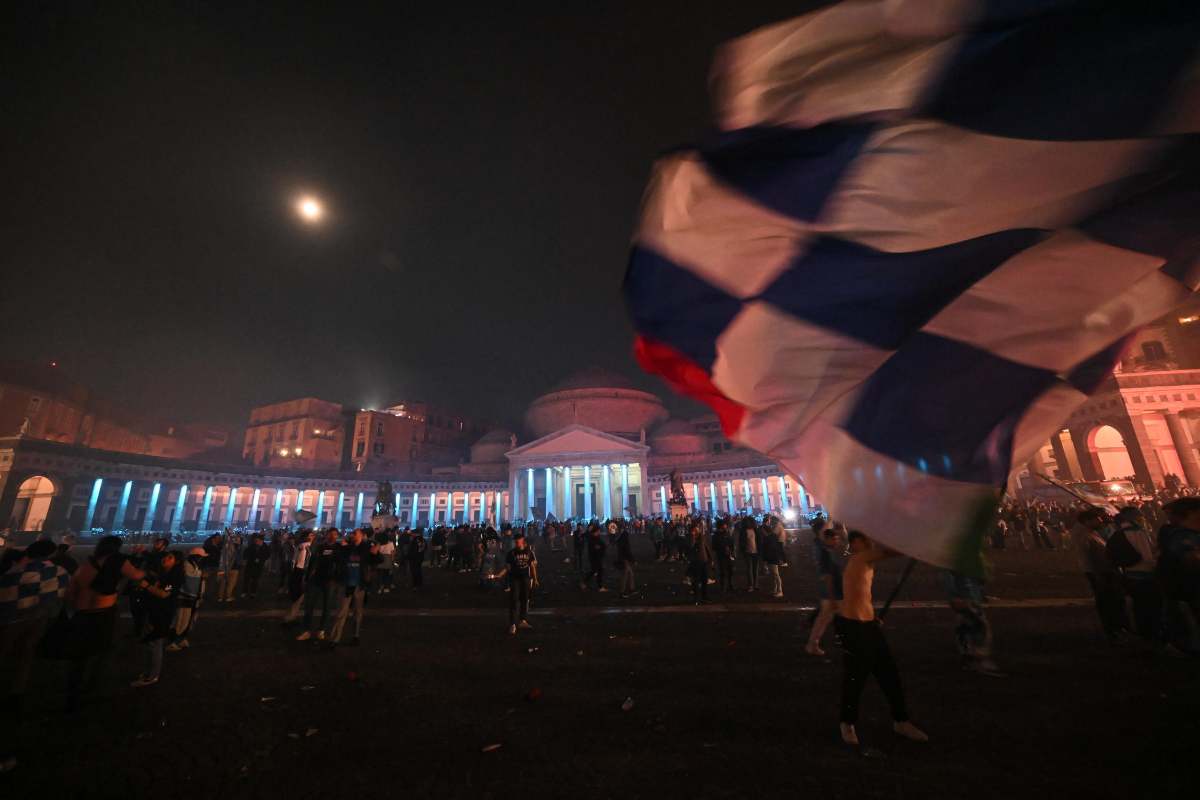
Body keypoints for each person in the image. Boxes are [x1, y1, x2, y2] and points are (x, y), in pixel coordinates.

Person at [834, 531, 927, 747]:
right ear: (856, 543)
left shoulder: (861, 562)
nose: (870, 543)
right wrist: (921, 543)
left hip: (868, 625)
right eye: (866, 539)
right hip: (854, 628)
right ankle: (847, 723)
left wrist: (872, 616)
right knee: (855, 677)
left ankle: (901, 720)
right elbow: (892, 551)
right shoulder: (860, 558)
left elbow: (861, 595)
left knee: (889, 674)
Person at [64, 536, 146, 712]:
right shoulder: (117, 561)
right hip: (103, 612)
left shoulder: (86, 565)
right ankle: (94, 687)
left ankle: (72, 693)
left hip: (81, 613)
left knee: (80, 656)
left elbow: (70, 593)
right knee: (104, 650)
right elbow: (137, 574)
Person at [0, 541, 67, 719]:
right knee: (26, 654)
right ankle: (17, 692)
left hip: (11, 618)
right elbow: (61, 594)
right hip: (39, 617)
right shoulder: (57, 571)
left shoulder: (16, 570)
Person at [1071, 508, 1129, 643]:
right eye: (1098, 519)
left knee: (1113, 600)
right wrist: (1096, 575)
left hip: (1103, 571)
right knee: (1108, 601)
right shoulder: (1083, 535)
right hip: (1100, 573)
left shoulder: (1090, 532)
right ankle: (1114, 630)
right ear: (1087, 521)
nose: (1101, 521)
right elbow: (1086, 557)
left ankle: (1118, 628)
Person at [132, 551, 178, 688]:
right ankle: (149, 672)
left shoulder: (174, 577)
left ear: (177, 562)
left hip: (161, 614)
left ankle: (152, 676)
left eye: (170, 558)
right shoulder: (165, 574)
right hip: (156, 612)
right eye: (165, 556)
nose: (165, 559)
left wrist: (146, 586)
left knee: (155, 644)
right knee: (153, 644)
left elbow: (164, 594)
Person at [329, 528, 381, 646]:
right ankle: (334, 639)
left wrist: (376, 552)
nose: (353, 535)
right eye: (352, 534)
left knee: (358, 612)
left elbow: (378, 560)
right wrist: (340, 548)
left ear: (362, 536)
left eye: (355, 534)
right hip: (346, 583)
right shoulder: (347, 547)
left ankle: (355, 635)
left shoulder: (367, 548)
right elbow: (336, 559)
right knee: (341, 612)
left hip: (359, 584)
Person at [806, 526, 844, 656]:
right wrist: (833, 597)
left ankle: (813, 644)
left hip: (830, 593)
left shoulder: (823, 550)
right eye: (835, 539)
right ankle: (812, 644)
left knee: (824, 619)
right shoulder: (826, 553)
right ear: (827, 539)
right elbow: (828, 577)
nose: (837, 541)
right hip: (832, 593)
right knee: (847, 617)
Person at [297, 529, 340, 642]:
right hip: (316, 579)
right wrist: (307, 578)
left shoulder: (339, 547)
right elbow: (312, 562)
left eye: (335, 534)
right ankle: (306, 631)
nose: (332, 536)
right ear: (326, 535)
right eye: (331, 534)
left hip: (330, 580)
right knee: (309, 605)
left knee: (327, 606)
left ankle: (322, 630)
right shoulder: (320, 546)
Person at [167, 548, 205, 651]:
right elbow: (189, 581)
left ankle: (182, 638)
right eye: (201, 557)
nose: (202, 559)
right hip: (185, 598)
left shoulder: (193, 565)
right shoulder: (186, 566)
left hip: (192, 597)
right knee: (181, 621)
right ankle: (173, 641)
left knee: (189, 620)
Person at [497, 531, 535, 634]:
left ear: (523, 542)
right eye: (516, 542)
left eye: (518, 542)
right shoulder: (511, 553)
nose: (517, 544)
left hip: (526, 578)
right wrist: (500, 575)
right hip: (515, 579)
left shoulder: (528, 552)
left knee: (524, 599)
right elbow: (508, 567)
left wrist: (535, 579)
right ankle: (513, 624)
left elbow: (532, 566)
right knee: (514, 600)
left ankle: (523, 620)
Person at [282, 531, 314, 625]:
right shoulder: (305, 546)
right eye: (311, 535)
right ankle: (292, 615)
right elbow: (299, 560)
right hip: (301, 571)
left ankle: (293, 615)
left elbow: (295, 559)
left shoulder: (302, 546)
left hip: (299, 571)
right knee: (299, 594)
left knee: (298, 594)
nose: (313, 536)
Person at [241, 533, 270, 597]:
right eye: (256, 540)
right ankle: (244, 591)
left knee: (255, 580)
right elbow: (246, 553)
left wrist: (261, 559)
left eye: (258, 540)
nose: (257, 541)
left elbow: (267, 555)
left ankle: (253, 592)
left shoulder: (265, 547)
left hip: (259, 566)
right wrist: (246, 559)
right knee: (247, 579)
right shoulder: (252, 545)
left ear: (261, 540)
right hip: (250, 564)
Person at [712, 520, 736, 593]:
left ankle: (730, 585)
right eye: (725, 525)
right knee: (723, 571)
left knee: (730, 571)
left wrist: (731, 550)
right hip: (721, 555)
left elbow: (731, 542)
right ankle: (723, 587)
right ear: (721, 526)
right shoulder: (716, 535)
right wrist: (723, 547)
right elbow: (714, 546)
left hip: (728, 555)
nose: (726, 526)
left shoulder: (727, 533)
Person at [615, 523, 636, 598]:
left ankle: (631, 589)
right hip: (624, 559)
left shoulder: (620, 537)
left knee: (630, 574)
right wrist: (632, 559)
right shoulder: (624, 537)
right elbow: (627, 550)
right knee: (625, 576)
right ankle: (622, 592)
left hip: (623, 558)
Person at [738, 518, 759, 592]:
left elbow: (759, 540)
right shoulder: (743, 531)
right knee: (750, 569)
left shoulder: (755, 530)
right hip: (748, 552)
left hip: (755, 552)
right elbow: (741, 542)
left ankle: (755, 584)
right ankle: (751, 585)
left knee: (754, 569)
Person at [586, 525, 608, 591]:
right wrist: (599, 548)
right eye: (598, 531)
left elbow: (602, 545)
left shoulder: (597, 537)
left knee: (596, 571)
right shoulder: (592, 539)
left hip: (597, 557)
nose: (599, 532)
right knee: (596, 571)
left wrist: (602, 547)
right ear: (596, 531)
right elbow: (595, 548)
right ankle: (599, 586)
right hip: (594, 558)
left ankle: (584, 582)